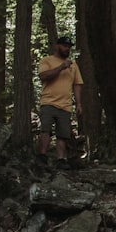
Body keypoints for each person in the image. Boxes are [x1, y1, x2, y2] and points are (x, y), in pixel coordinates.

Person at [37, 36, 83, 170]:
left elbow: (77, 84)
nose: (66, 49)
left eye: (68, 47)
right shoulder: (47, 60)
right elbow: (43, 76)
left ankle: (60, 159)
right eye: (64, 46)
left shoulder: (73, 65)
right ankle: (42, 156)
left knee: (62, 134)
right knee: (45, 130)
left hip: (65, 105)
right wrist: (61, 67)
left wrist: (79, 104)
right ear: (57, 46)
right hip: (48, 102)